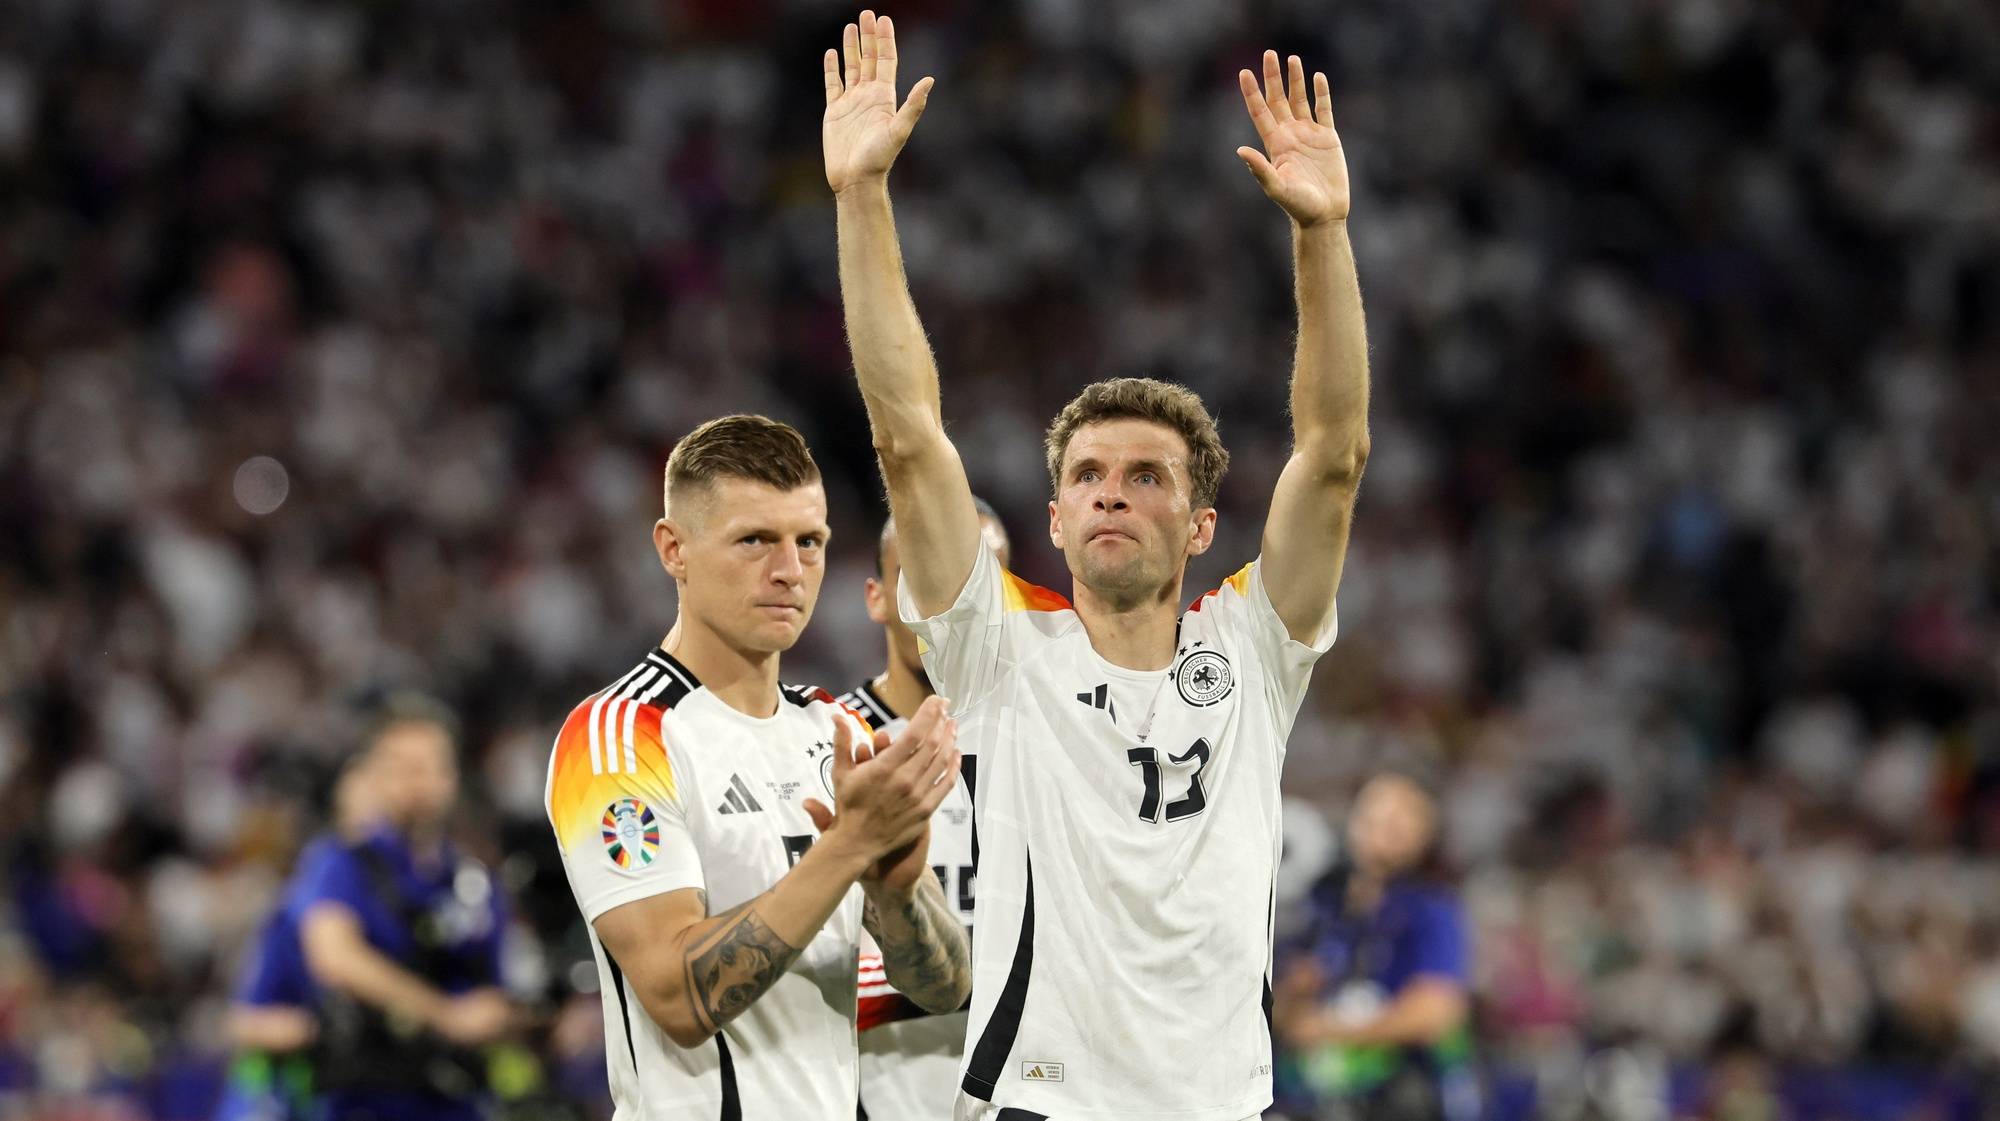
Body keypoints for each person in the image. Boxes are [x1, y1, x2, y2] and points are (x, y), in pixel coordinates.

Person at [822, 12, 1370, 1120]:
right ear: (1056, 521)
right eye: (1087, 475)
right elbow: (906, 433)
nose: (1112, 489)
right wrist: (859, 197)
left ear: (1202, 523)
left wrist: (1321, 234)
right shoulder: (996, 646)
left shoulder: (1252, 646)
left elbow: (1332, 457)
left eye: (1146, 475)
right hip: (1042, 1103)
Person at [543, 414, 973, 1119]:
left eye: (811, 542)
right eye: (755, 540)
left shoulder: (836, 727)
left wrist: (898, 894)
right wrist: (848, 847)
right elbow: (677, 997)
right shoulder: (618, 736)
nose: (789, 570)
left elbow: (944, 985)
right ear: (673, 549)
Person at [839, 503, 1011, 1121]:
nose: (947, 603)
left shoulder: (1050, 747)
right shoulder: (826, 750)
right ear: (877, 597)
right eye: (920, 575)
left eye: (975, 580)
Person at [297, 695, 515, 1121]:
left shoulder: (472, 879)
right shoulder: (342, 862)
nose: (420, 782)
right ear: (375, 777)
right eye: (404, 768)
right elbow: (334, 956)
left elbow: (500, 983)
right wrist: (446, 1016)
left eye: (433, 766)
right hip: (366, 1097)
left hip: (458, 1097)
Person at [1271, 773, 1478, 1121]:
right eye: (1373, 813)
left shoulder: (1431, 909)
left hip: (1401, 1095)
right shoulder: (1320, 906)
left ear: (1425, 835)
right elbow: (1276, 1010)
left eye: (1400, 817)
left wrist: (1329, 1030)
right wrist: (1294, 994)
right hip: (1313, 1097)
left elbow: (1436, 1011)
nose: (1383, 825)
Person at [215, 760, 383, 1121]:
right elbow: (244, 1020)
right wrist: (317, 1030)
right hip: (296, 1098)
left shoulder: (425, 906)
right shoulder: (297, 912)